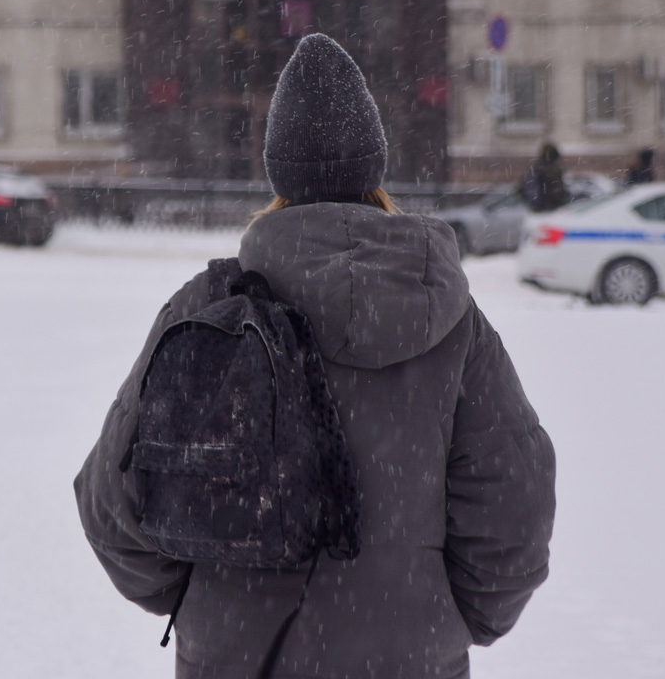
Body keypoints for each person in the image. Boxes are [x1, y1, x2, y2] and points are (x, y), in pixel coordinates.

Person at [74, 34, 556, 679]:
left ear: (278, 172)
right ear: (374, 170)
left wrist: (206, 600)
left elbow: (111, 504)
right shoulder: (452, 321)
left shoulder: (207, 308)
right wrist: (444, 621)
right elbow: (513, 506)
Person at [522, 142, 570, 212]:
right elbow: (556, 190)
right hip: (549, 208)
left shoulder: (537, 167)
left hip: (542, 208)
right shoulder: (548, 169)